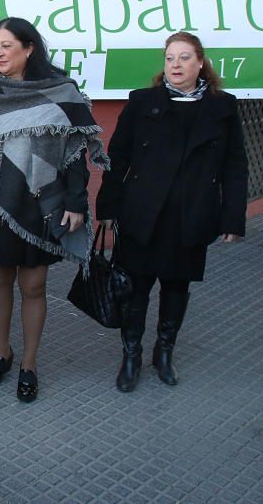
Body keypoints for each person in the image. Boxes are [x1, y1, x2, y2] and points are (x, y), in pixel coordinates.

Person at [0, 17, 105, 402]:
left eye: (8, 46)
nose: (0, 53)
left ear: (29, 49)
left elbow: (74, 151)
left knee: (34, 284)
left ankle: (29, 363)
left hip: (41, 201)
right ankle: (2, 352)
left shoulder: (60, 91)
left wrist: (76, 201)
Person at [96, 31, 247, 393]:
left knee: (177, 287)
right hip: (143, 214)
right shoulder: (142, 101)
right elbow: (118, 157)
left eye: (183, 58)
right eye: (169, 58)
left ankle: (164, 352)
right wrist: (107, 206)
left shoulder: (222, 106)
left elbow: (234, 166)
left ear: (200, 63)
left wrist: (232, 217)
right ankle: (130, 355)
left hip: (193, 215)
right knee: (136, 289)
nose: (175, 65)